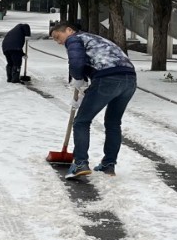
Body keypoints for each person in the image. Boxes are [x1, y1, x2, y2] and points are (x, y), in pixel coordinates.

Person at [50, 22, 137, 180]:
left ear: (69, 30)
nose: (58, 42)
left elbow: (76, 62)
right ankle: (108, 165)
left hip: (108, 78)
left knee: (81, 122)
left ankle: (80, 163)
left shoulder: (74, 38)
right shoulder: (96, 38)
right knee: (113, 123)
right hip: (129, 79)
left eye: (58, 37)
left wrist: (78, 77)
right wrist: (84, 84)